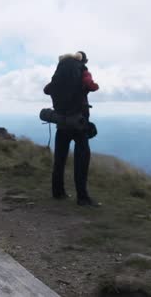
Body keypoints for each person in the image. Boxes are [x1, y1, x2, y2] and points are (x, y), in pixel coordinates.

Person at [43, 51, 101, 207]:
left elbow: (47, 90)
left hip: (62, 122)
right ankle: (82, 197)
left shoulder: (60, 71)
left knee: (59, 159)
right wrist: (88, 87)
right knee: (81, 159)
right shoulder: (83, 70)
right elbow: (92, 86)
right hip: (78, 122)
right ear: (83, 60)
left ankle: (58, 192)